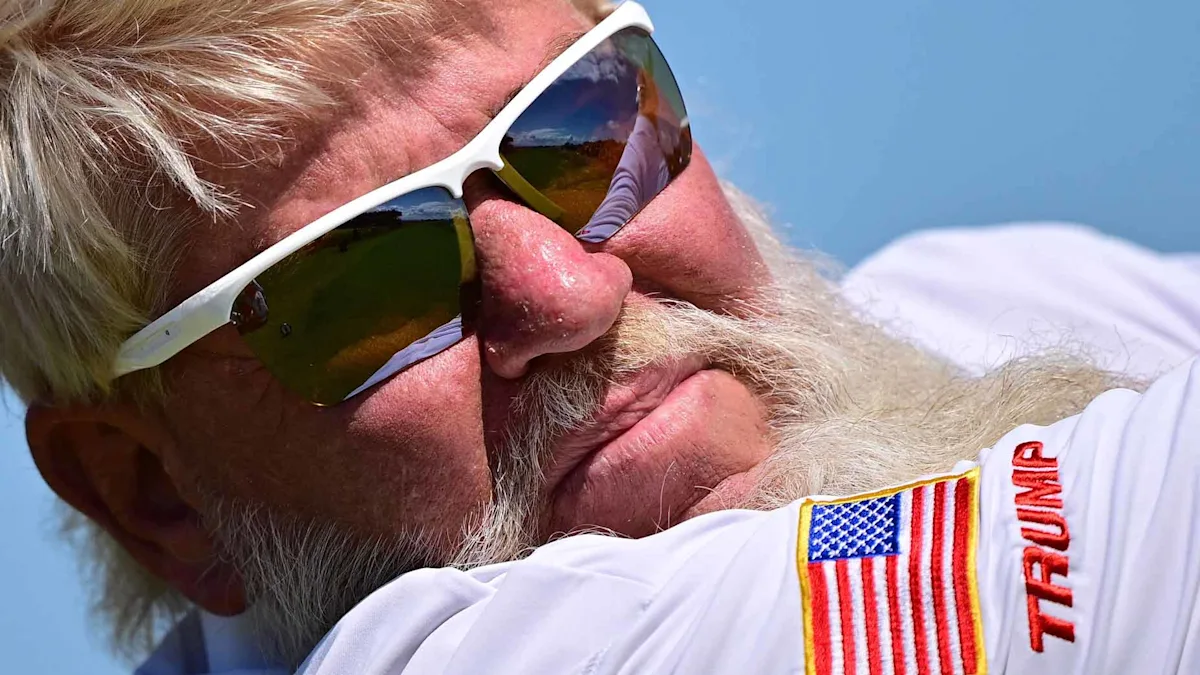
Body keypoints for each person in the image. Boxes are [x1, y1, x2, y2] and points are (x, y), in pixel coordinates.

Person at [0, 1, 1196, 673]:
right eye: (365, 280)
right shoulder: (474, 653)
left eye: (581, 125)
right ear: (155, 492)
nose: (569, 294)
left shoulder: (1000, 289)